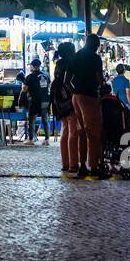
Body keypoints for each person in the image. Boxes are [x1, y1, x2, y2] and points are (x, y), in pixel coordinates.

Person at [69, 33, 106, 179]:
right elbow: (99, 78)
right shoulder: (95, 58)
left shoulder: (77, 56)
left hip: (76, 97)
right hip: (89, 97)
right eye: (97, 46)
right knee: (93, 133)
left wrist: (75, 91)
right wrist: (101, 86)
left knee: (81, 132)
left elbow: (67, 79)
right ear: (95, 45)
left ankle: (82, 165)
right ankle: (94, 166)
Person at [51, 41, 79, 172]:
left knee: (65, 129)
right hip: (68, 99)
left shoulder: (58, 64)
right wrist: (75, 94)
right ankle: (74, 164)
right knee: (73, 130)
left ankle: (65, 163)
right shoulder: (70, 63)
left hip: (58, 99)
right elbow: (68, 82)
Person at [20, 58, 51, 144]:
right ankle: (47, 139)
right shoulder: (46, 75)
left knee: (32, 120)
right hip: (45, 100)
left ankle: (30, 140)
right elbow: (48, 86)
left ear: (33, 66)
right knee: (45, 119)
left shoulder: (30, 76)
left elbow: (25, 89)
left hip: (35, 101)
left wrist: (23, 83)